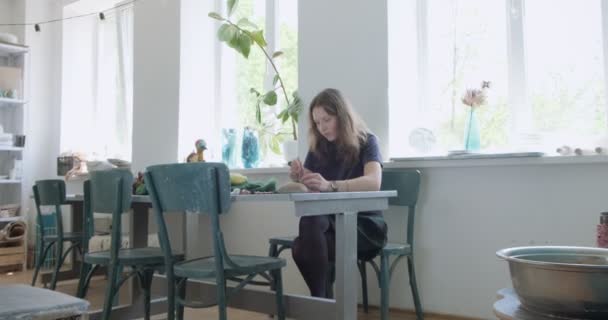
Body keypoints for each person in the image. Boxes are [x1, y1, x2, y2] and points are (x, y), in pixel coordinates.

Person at [289, 88, 387, 298]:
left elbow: (374, 182)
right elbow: (314, 186)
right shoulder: (319, 147)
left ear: (341, 115)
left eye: (327, 119)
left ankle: (321, 304)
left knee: (301, 247)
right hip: (330, 225)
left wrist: (331, 185)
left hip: (363, 227)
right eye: (317, 122)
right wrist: (301, 176)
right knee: (308, 226)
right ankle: (324, 305)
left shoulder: (368, 141)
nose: (322, 127)